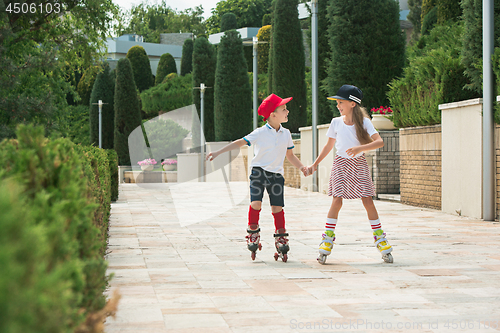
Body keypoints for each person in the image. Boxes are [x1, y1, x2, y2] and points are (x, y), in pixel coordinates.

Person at [206, 94, 308, 262]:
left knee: (277, 207)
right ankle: (253, 232)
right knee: (256, 203)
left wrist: (302, 167)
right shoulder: (260, 133)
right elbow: (239, 142)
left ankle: (281, 237)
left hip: (276, 175)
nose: (287, 111)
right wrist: (218, 152)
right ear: (273, 115)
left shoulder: (286, 133)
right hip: (258, 173)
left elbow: (290, 155)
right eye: (284, 109)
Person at [307, 85, 394, 264]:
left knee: (367, 200)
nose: (338, 106)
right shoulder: (336, 122)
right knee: (337, 200)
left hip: (359, 164)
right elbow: (328, 146)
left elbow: (379, 142)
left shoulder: (364, 122)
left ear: (353, 104)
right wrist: (315, 164)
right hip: (340, 164)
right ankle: (327, 239)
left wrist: (359, 148)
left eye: (341, 102)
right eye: (337, 103)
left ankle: (380, 239)